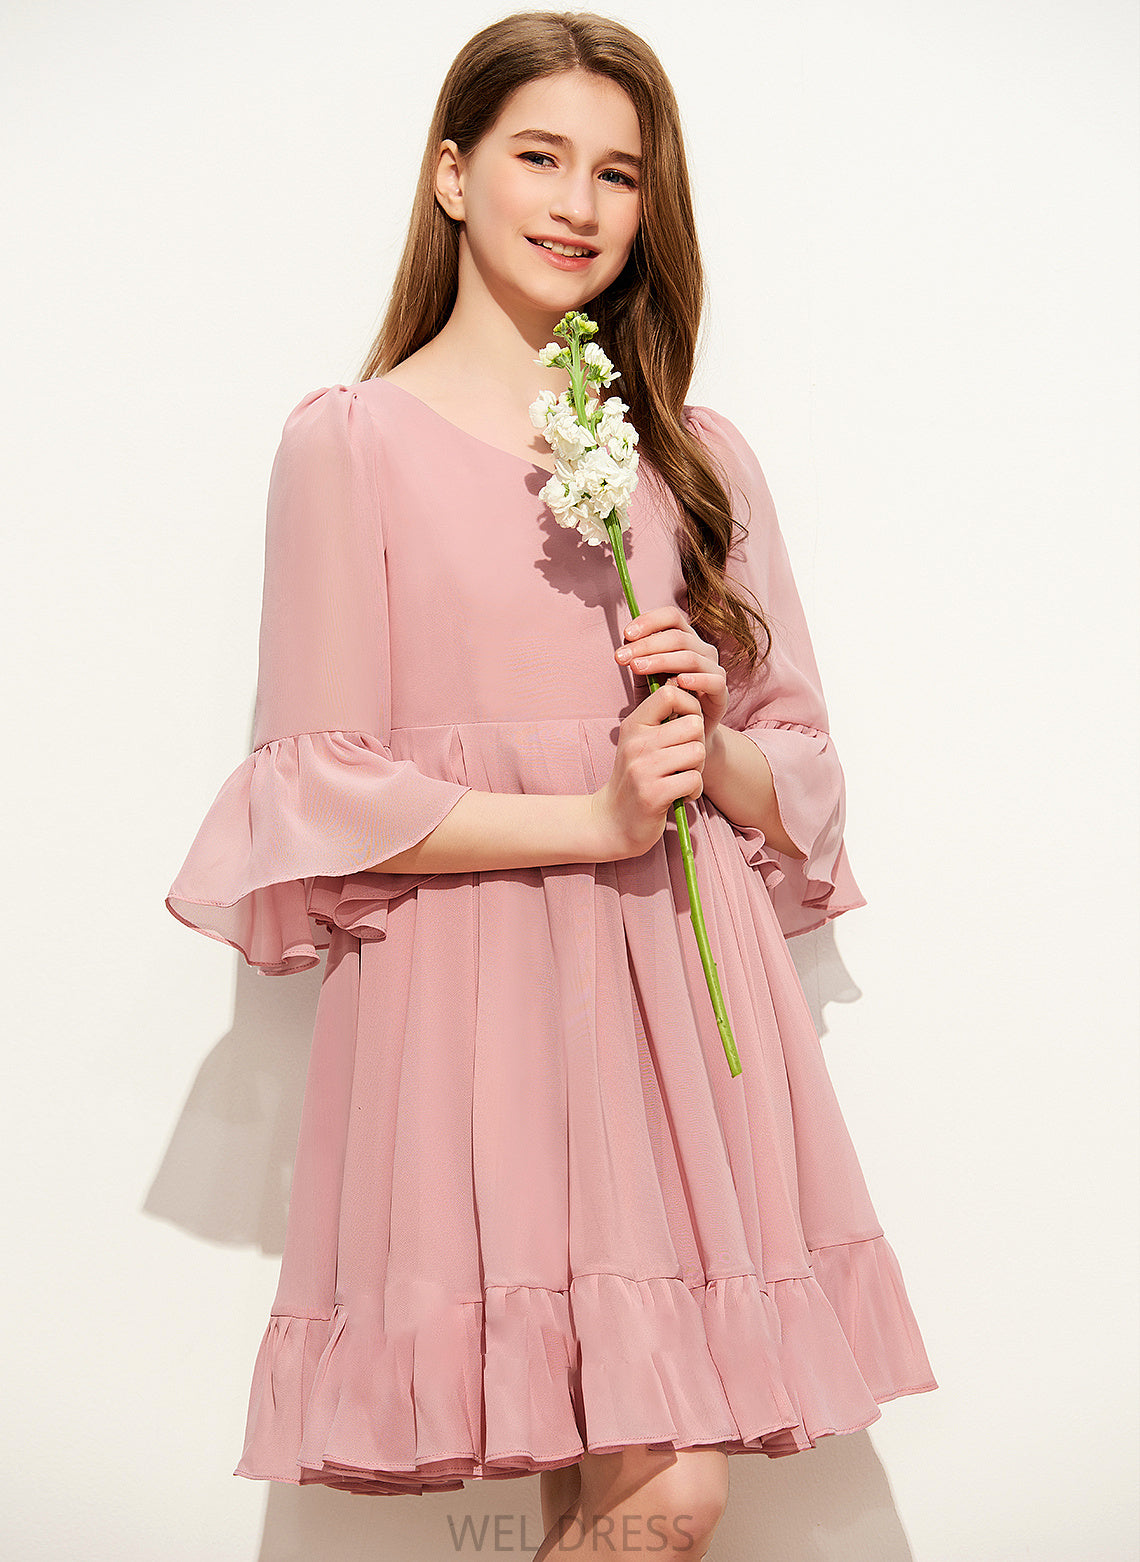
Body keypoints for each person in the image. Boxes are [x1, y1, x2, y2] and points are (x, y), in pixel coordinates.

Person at [165, 11, 938, 1557]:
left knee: (637, 1484)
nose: (580, 204)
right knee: (662, 1491)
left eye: (619, 173)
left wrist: (707, 741)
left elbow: (801, 766)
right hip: (474, 1004)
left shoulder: (694, 452)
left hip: (674, 1005)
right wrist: (593, 815)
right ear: (452, 174)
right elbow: (325, 787)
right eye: (539, 156)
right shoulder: (349, 445)